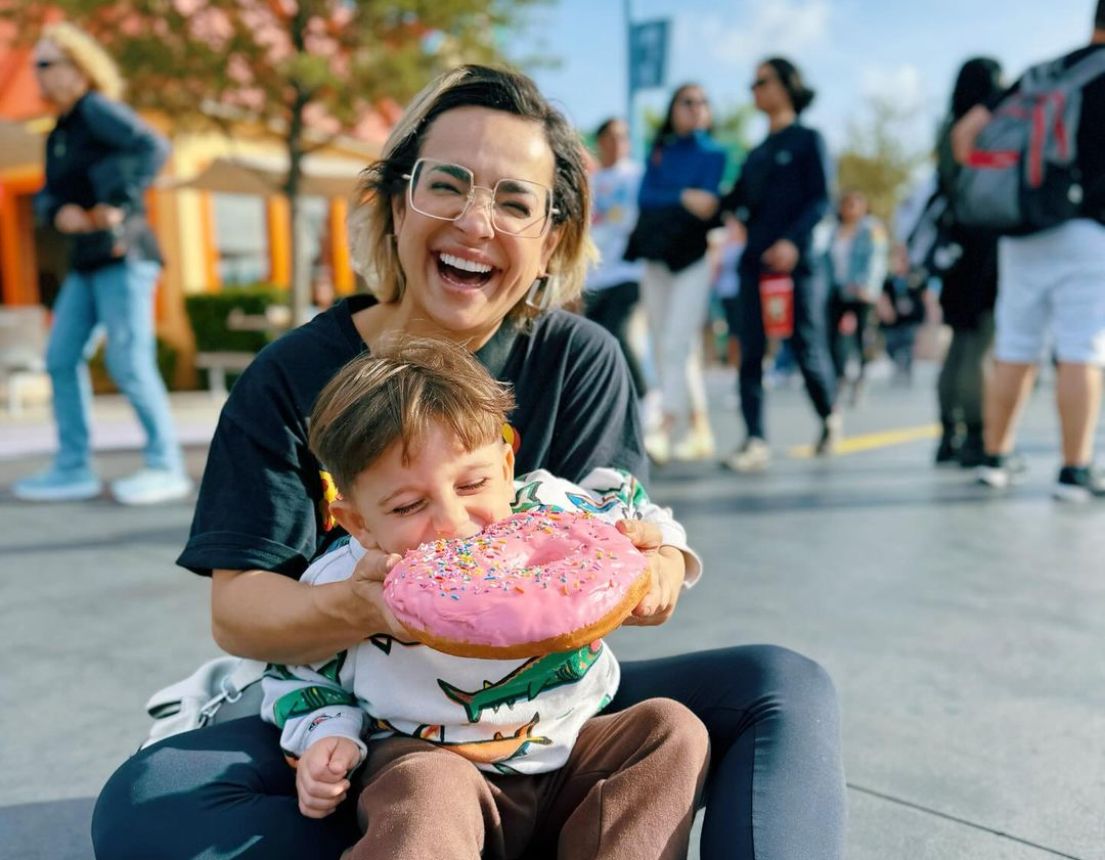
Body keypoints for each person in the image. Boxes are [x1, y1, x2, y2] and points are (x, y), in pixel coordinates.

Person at [92, 65, 845, 860]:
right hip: (378, 717)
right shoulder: (292, 376)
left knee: (779, 689)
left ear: (553, 236)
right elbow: (239, 610)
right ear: (394, 200)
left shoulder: (578, 357)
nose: (474, 221)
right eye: (445, 186)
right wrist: (373, 607)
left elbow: (621, 527)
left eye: (514, 202)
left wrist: (653, 565)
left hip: (550, 712)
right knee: (151, 808)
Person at [261, 337, 709, 858]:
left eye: (472, 484)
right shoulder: (348, 582)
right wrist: (326, 733)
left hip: (574, 754)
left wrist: (665, 559)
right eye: (408, 507)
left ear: (505, 465)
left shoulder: (555, 511)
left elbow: (639, 510)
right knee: (427, 790)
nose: (452, 523)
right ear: (358, 522)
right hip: (431, 758)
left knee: (670, 730)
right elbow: (293, 671)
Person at [11, 22, 190, 506]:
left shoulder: (97, 110)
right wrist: (59, 211)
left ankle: (165, 464)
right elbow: (50, 194)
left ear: (77, 68)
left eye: (46, 65)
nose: (38, 75)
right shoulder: (60, 132)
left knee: (127, 361)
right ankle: (73, 467)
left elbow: (154, 147)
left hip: (125, 253)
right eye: (35, 66)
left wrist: (118, 198)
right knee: (60, 357)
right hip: (86, 262)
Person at [953, 3, 1105, 499]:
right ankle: (1074, 470)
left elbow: (964, 139)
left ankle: (996, 458)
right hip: (1086, 228)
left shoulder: (1041, 73)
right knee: (1080, 348)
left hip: (1020, 229)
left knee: (1016, 345)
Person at [720, 57, 839, 472]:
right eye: (752, 83)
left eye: (762, 81)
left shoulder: (809, 140)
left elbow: (822, 200)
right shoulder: (755, 154)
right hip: (756, 263)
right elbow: (734, 200)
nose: (754, 89)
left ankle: (828, 416)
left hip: (798, 265)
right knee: (751, 347)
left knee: (806, 344)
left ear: (788, 84)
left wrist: (793, 242)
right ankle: (755, 439)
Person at [625, 83, 727, 464]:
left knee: (676, 341)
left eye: (703, 102)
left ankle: (665, 425)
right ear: (673, 108)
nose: (696, 108)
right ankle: (700, 427)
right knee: (672, 345)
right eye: (687, 102)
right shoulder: (660, 149)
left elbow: (710, 200)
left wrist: (678, 196)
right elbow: (646, 198)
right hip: (656, 254)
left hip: (692, 257)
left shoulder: (715, 153)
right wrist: (683, 196)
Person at [932, 58, 1003, 467]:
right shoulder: (986, 125)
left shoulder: (945, 129)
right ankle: (976, 435)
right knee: (979, 343)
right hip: (983, 242)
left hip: (954, 245)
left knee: (958, 344)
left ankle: (947, 433)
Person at [583, 117, 647, 398]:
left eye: (624, 136)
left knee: (616, 332)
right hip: (594, 275)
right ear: (601, 142)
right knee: (595, 340)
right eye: (612, 136)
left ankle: (643, 394)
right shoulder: (589, 182)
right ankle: (611, 397)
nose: (619, 142)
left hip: (628, 270)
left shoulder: (638, 176)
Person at [824, 190, 887, 406]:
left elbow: (877, 258)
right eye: (846, 204)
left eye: (854, 204)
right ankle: (838, 378)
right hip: (837, 289)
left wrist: (868, 285)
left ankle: (860, 380)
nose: (850, 209)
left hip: (861, 290)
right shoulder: (833, 229)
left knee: (862, 337)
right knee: (835, 337)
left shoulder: (871, 228)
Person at [877, 244, 928, 384]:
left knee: (908, 345)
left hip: (911, 319)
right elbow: (881, 297)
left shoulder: (916, 275)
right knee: (892, 346)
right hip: (893, 321)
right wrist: (885, 310)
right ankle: (898, 366)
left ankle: (905, 371)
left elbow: (925, 296)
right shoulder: (887, 278)